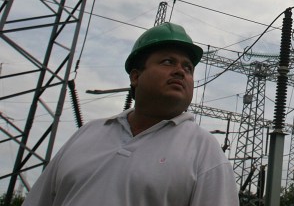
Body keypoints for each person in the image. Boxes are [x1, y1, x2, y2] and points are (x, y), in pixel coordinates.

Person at [23, 22, 239, 205]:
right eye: (167, 62)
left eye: (188, 68)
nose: (180, 71)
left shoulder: (203, 150)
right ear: (135, 76)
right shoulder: (88, 134)